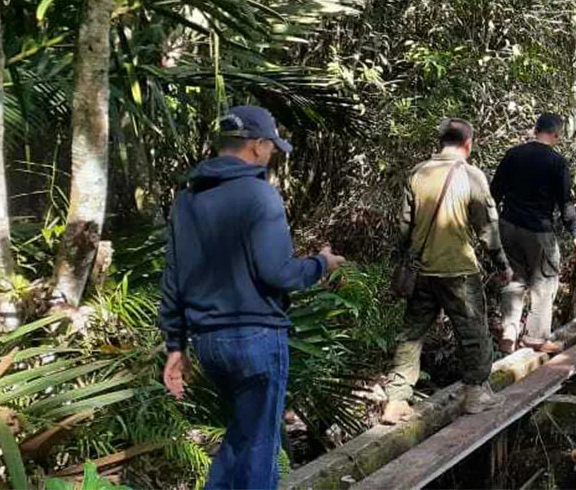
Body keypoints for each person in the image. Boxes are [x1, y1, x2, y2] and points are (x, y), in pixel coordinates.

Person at [159, 105, 346, 490]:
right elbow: (277, 272)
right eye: (272, 145)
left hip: (208, 343)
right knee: (260, 446)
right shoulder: (261, 195)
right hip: (256, 338)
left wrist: (175, 346)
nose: (274, 153)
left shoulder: (186, 200)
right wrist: (321, 264)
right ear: (257, 145)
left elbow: (173, 278)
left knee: (243, 435)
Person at [381, 118, 511, 425]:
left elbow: (404, 226)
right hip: (458, 270)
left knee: (412, 334)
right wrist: (502, 264)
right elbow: (487, 229)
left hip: (421, 269)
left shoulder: (418, 173)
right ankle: (476, 394)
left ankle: (396, 400)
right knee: (472, 332)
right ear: (468, 143)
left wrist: (403, 260)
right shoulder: (472, 175)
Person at [490, 112, 576, 355]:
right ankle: (535, 338)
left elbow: (494, 191)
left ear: (536, 129)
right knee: (545, 283)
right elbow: (565, 203)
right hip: (538, 230)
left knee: (514, 279)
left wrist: (491, 225)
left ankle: (510, 328)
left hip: (508, 226)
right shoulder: (557, 162)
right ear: (555, 134)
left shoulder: (514, 154)